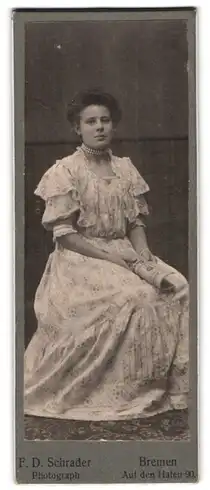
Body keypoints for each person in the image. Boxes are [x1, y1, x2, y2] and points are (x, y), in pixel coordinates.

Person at [24, 89, 189, 421]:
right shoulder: (65, 171)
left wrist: (143, 256)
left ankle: (171, 389)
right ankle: (122, 391)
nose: (99, 127)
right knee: (136, 296)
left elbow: (135, 222)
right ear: (77, 128)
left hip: (125, 250)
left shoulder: (125, 169)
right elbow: (65, 234)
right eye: (90, 122)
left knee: (178, 285)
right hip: (80, 257)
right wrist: (113, 260)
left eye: (105, 120)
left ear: (113, 125)